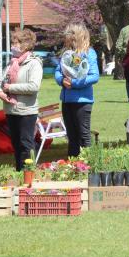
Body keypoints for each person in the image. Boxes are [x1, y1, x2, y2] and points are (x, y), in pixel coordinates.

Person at [0, 29, 43, 170]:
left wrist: (10, 88)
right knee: (16, 144)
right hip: (11, 110)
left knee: (25, 144)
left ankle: (28, 174)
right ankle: (19, 173)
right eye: (12, 42)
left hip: (26, 111)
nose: (12, 45)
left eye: (15, 43)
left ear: (25, 44)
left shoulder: (34, 63)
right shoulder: (11, 63)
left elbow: (34, 86)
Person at [55, 24, 99, 157]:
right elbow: (58, 71)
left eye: (71, 35)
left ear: (78, 37)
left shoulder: (89, 53)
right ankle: (73, 165)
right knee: (71, 135)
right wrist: (61, 81)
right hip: (67, 100)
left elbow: (94, 76)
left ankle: (90, 165)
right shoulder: (66, 53)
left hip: (82, 101)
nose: (68, 39)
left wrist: (74, 83)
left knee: (83, 134)